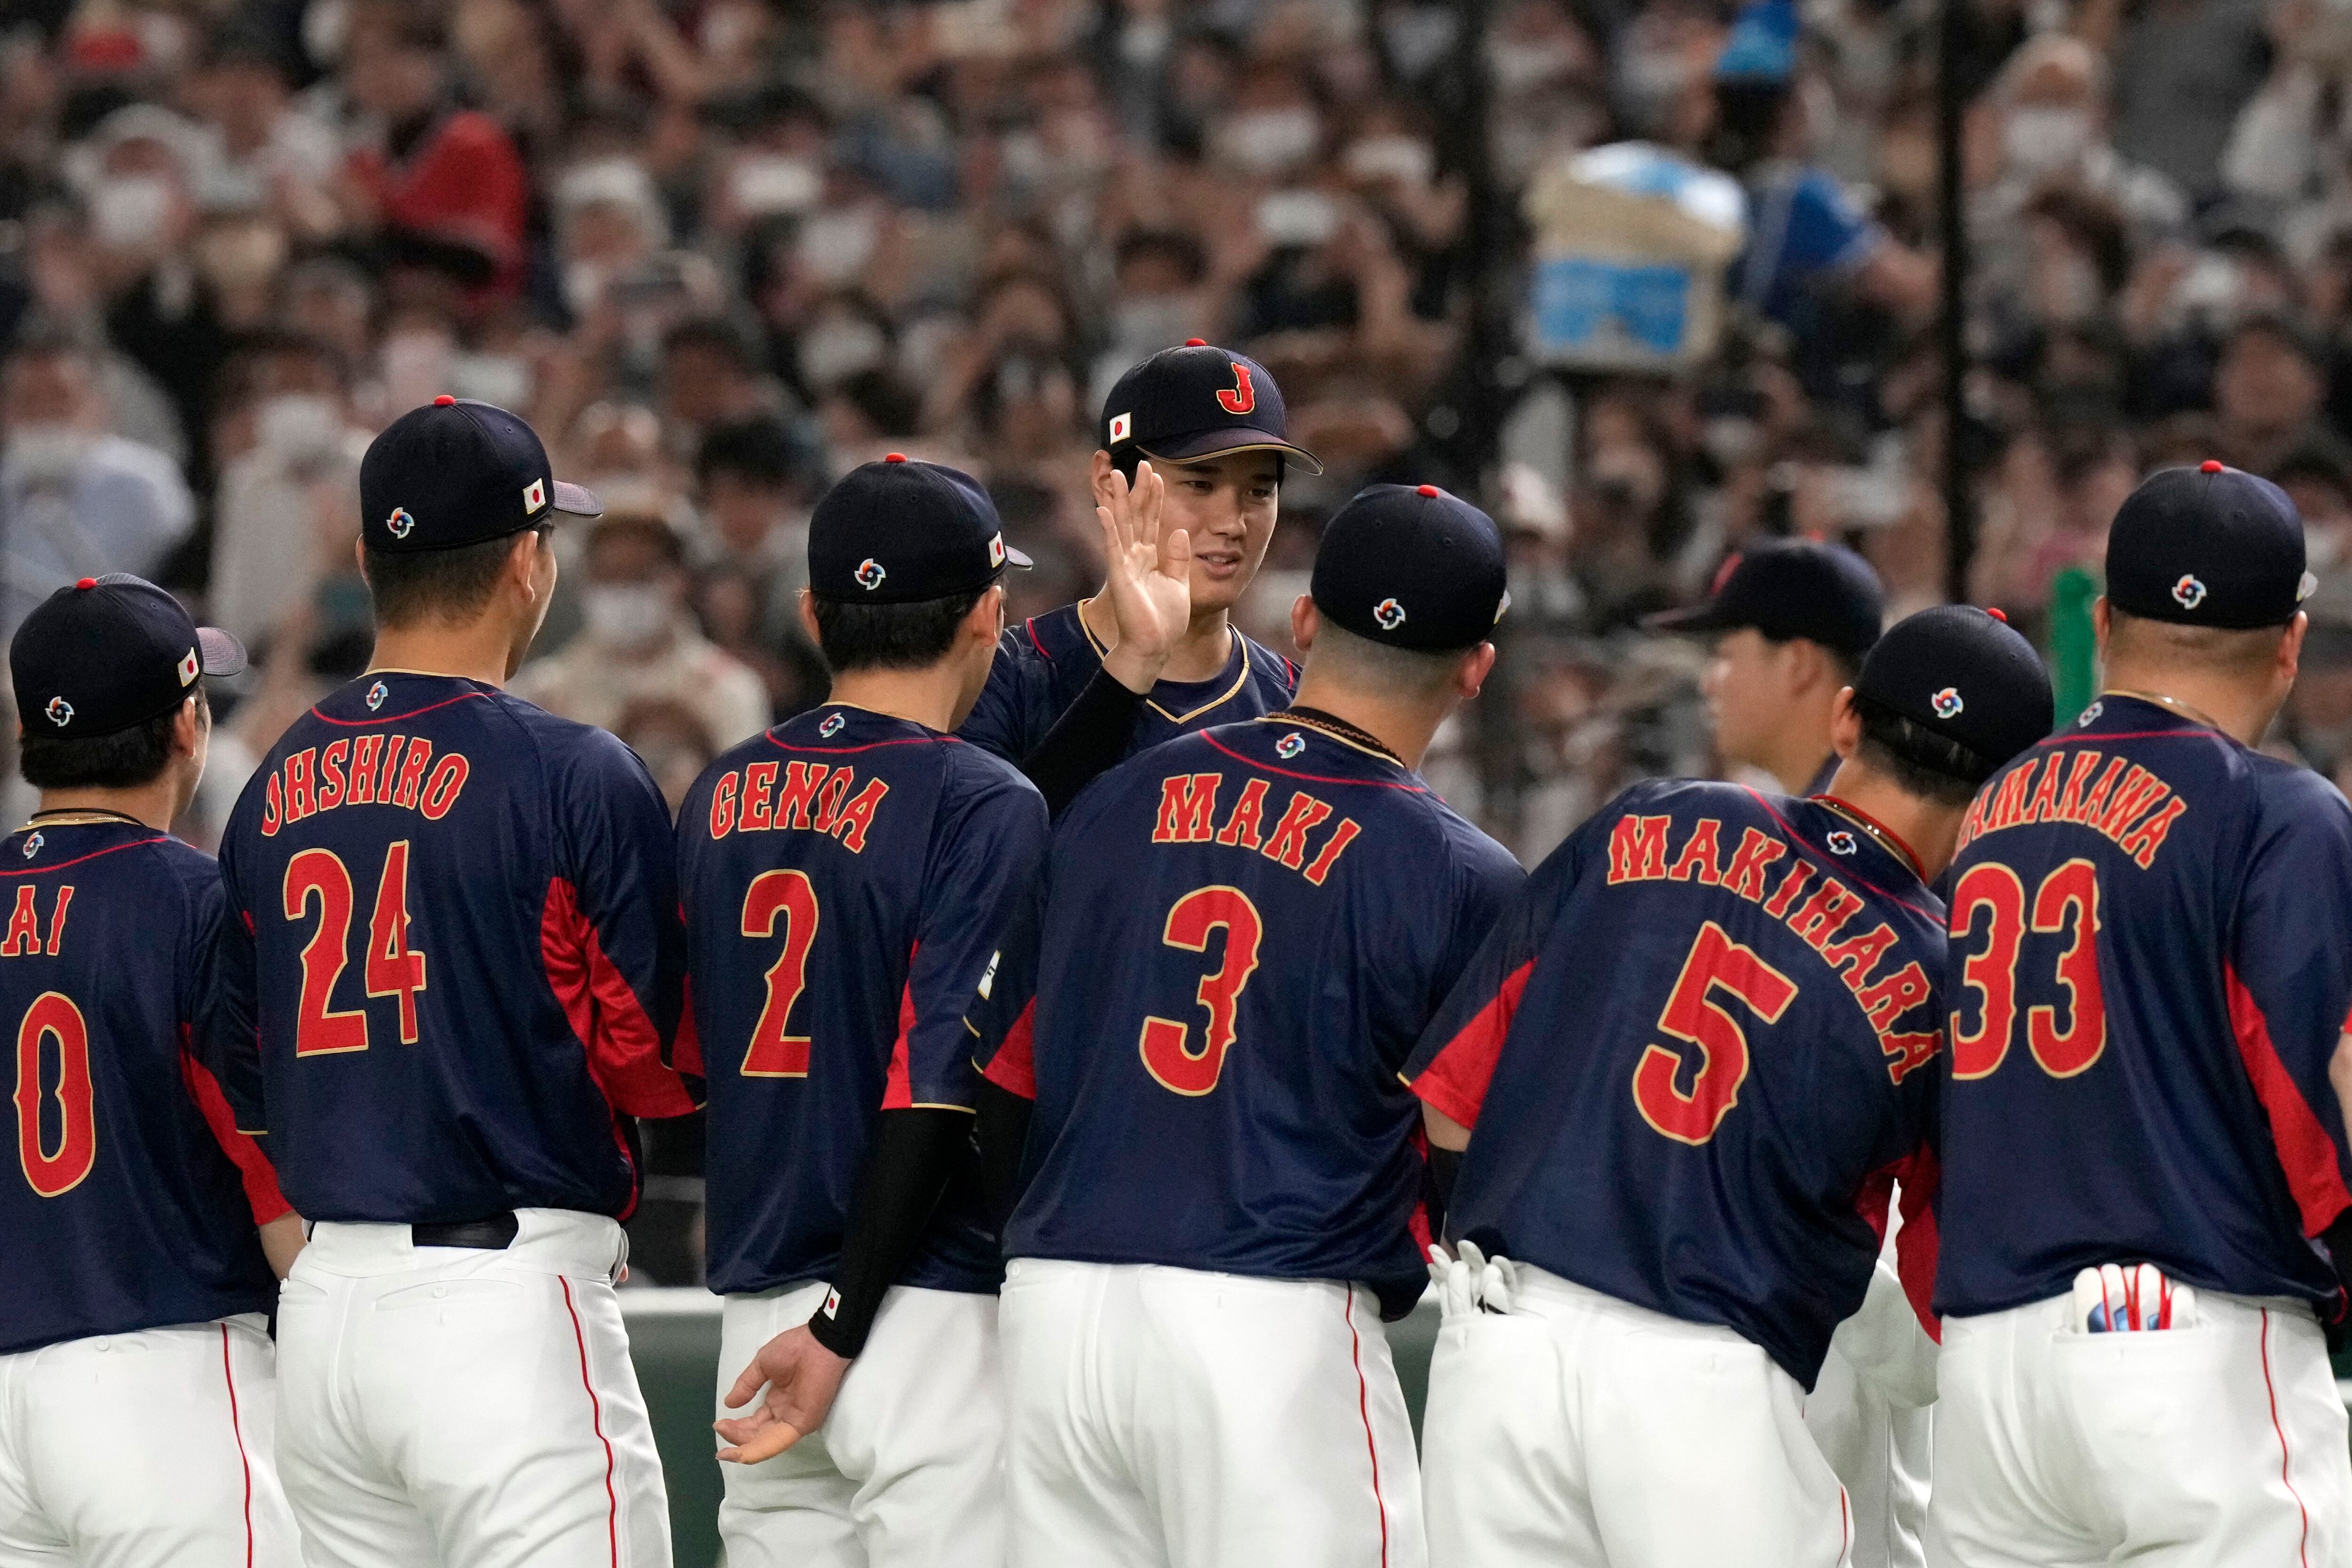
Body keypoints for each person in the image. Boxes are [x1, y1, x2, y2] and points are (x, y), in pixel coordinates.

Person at [1406, 605, 2055, 1568]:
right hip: (1710, 1388)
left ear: (1844, 720)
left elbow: (1446, 1098)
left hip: (1501, 1343)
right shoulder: (1947, 976)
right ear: (2006, 794)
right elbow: (1934, 1327)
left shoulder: (1656, 814)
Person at [975, 483, 1524, 1568]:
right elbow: (1477, 1172)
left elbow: (1002, 1081)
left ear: (1305, 624)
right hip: (1268, 1321)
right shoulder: (1466, 878)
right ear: (1476, 669)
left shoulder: (1113, 802)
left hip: (1055, 1310)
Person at [212, 396, 701, 1567]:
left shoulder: (276, 780)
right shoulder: (570, 768)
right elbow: (657, 1057)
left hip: (326, 1312)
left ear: (374, 560)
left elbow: (245, 1069)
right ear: (528, 561)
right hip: (503, 1307)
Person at [1930, 460, 2352, 1565]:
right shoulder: (2279, 813)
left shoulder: (1990, 812)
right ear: (2290, 643)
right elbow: (2320, 1090)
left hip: (1989, 1366)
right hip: (2187, 1348)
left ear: (2106, 619)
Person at [680, 454, 1046, 1564]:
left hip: (752, 1306)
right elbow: (938, 1082)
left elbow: (689, 1057)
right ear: (990, 613)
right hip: (916, 1308)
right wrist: (843, 1320)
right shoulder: (984, 798)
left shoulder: (719, 789)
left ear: (811, 614)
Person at [0, 575, 301, 1565]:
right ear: (186, 725)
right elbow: (276, 1192)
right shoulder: (198, 903)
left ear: (28, 738)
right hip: (163, 1384)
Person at [957, 340, 1321, 811]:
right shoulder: (1004, 675)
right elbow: (983, 860)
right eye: (1199, 484)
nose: (1232, 523)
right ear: (1110, 484)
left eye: (1258, 490)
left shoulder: (1296, 707)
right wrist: (1134, 665)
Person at [509, 505, 773, 750]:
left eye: (641, 575)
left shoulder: (732, 690)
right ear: (586, 583)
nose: (625, 590)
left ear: (680, 581)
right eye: (610, 576)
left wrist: (701, 743)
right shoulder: (544, 695)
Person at [0, 328, 195, 645]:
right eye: (29, 401)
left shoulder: (147, 483)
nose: (45, 414)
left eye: (60, 397)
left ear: (96, 404)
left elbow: (179, 582)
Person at [1650, 539, 1885, 796]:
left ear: (1798, 665)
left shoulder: (1862, 816)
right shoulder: (1854, 801)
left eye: (1725, 656)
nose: (1707, 685)